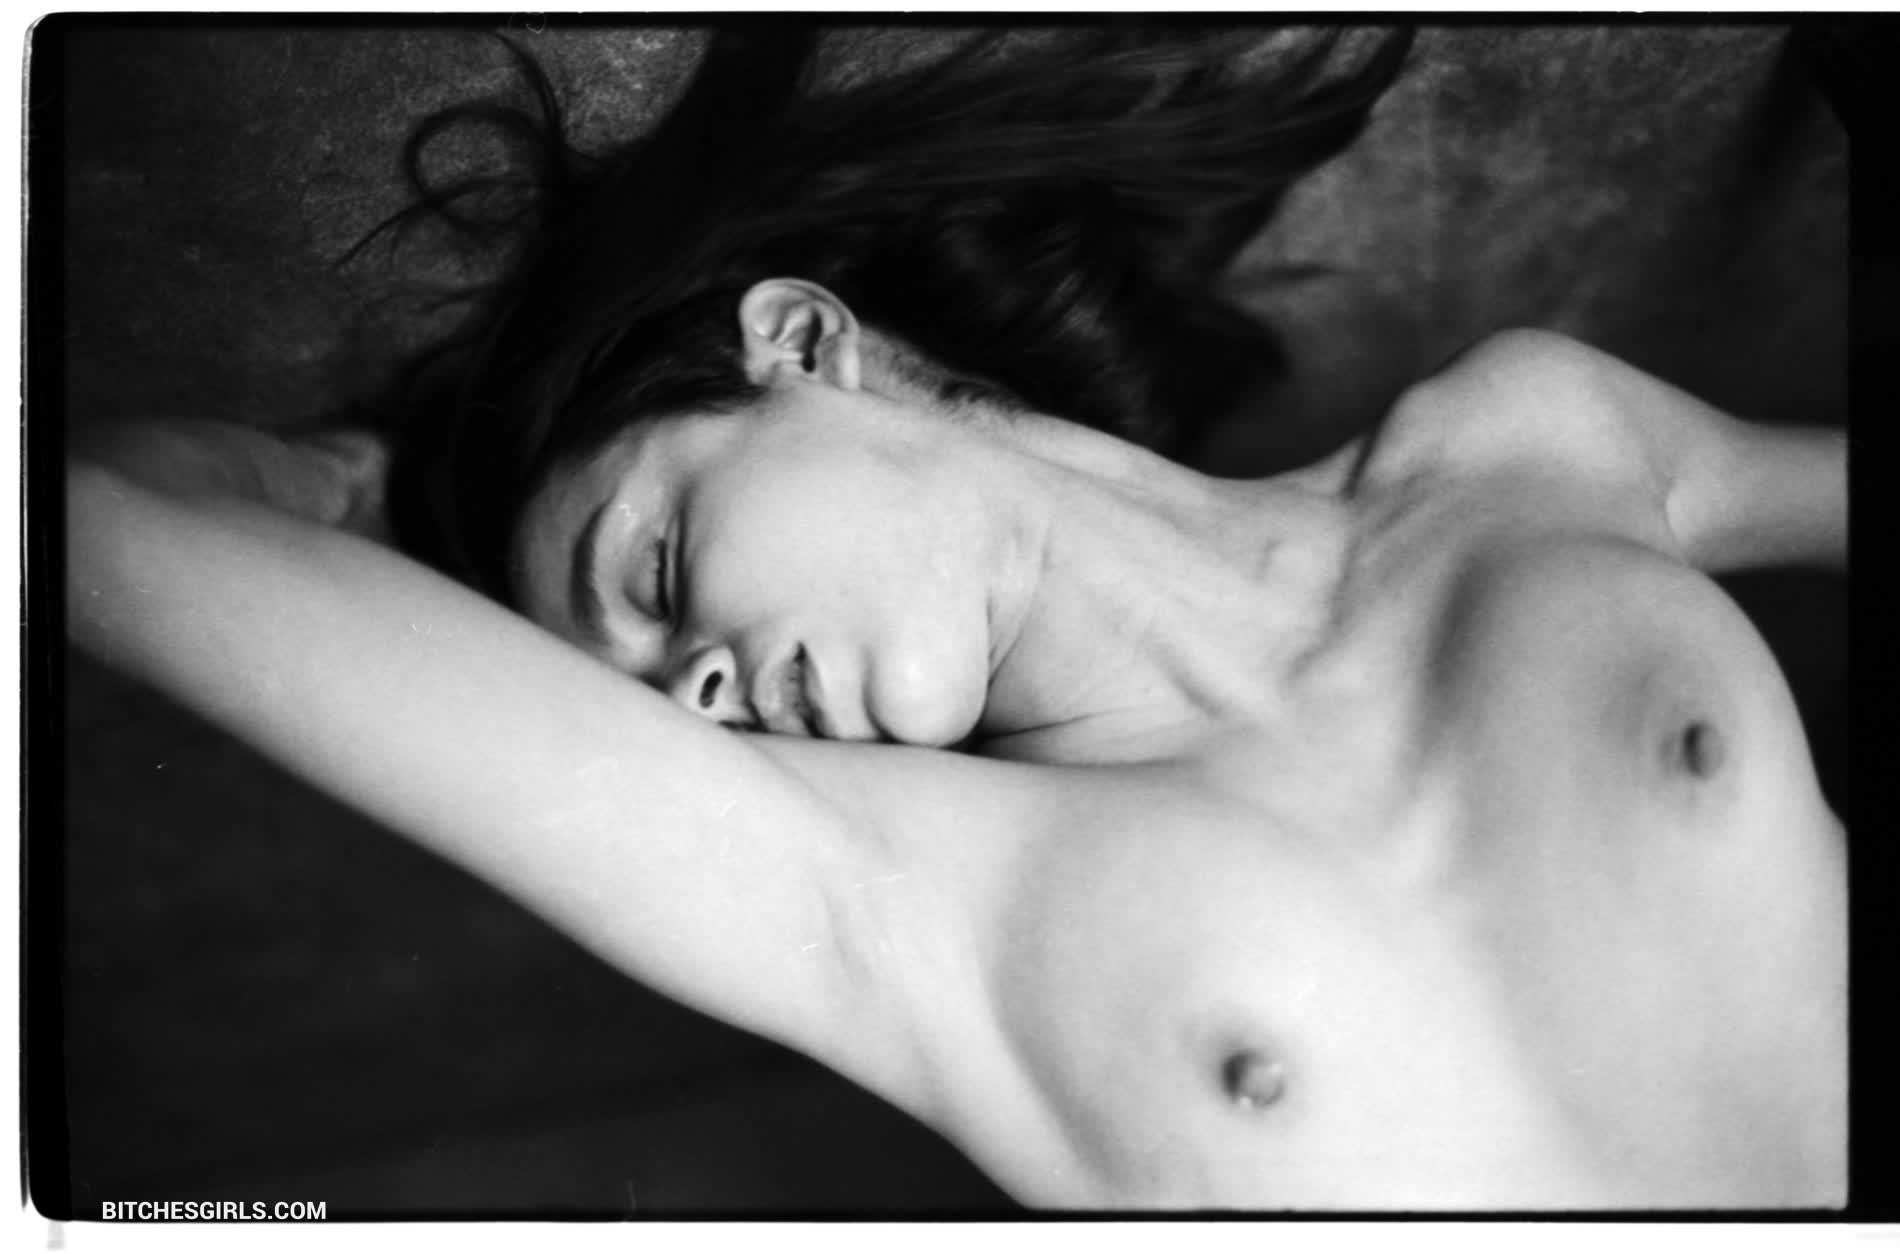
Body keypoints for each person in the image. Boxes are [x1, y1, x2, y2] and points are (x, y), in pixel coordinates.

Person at [63, 24, 1846, 1209]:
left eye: (656, 578)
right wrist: (358, 486)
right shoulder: (916, 900)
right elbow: (93, 526)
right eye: (662, 693)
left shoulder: (1531, 441)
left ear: (804, 344)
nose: (697, 698)